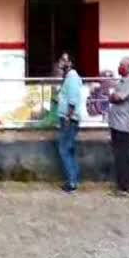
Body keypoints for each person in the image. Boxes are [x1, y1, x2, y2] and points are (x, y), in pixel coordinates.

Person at [108, 57, 129, 196]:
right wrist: (113, 96)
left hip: (123, 125)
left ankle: (124, 188)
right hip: (116, 124)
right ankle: (123, 184)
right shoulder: (122, 82)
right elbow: (113, 97)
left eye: (121, 65)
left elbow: (118, 98)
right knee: (119, 156)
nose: (119, 67)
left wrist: (113, 96)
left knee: (122, 156)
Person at [56, 53, 83, 193]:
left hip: (69, 119)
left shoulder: (72, 78)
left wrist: (67, 117)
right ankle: (74, 179)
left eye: (64, 60)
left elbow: (72, 100)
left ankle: (72, 182)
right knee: (69, 149)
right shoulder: (69, 77)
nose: (61, 62)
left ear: (70, 63)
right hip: (70, 118)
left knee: (64, 149)